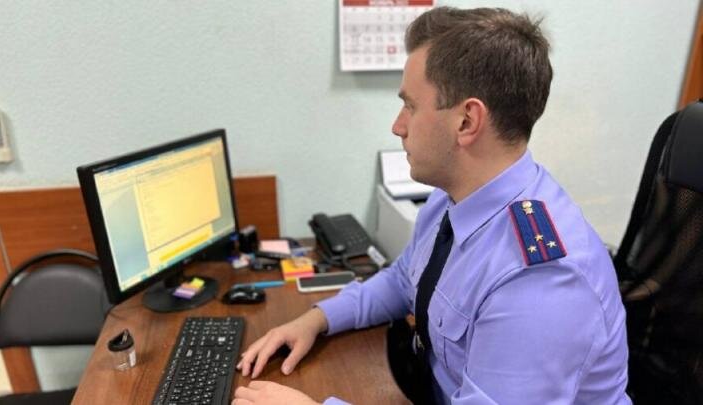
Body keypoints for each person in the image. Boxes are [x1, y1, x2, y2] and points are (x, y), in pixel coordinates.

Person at [233, 6, 631, 405]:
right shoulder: (452, 196)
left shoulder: (539, 282)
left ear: (466, 122)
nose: (397, 125)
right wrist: (317, 319)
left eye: (410, 105)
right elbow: (404, 280)